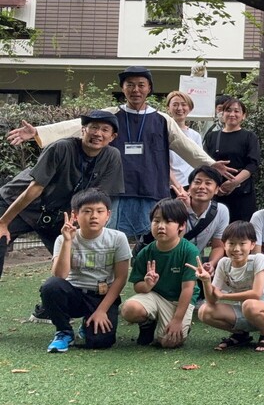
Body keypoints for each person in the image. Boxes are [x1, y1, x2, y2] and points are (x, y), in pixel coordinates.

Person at [6, 66, 226, 240]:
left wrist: (210, 164)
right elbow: (74, 126)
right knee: (108, 239)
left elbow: (187, 147)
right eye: (130, 85)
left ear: (149, 88)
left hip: (151, 189)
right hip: (115, 190)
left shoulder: (162, 120)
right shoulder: (111, 115)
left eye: (141, 85)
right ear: (123, 88)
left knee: (152, 239)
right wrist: (38, 132)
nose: (135, 90)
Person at [0, 110, 123, 276]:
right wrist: (3, 222)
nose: (97, 133)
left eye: (104, 130)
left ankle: (62, 292)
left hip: (59, 215)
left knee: (73, 262)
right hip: (19, 204)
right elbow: (35, 188)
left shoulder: (112, 156)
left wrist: (83, 227)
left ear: (112, 137)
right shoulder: (61, 147)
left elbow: (99, 197)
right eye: (93, 127)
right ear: (83, 130)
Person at [40, 189, 130, 352]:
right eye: (87, 211)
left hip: (101, 296)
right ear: (75, 215)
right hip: (73, 294)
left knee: (101, 342)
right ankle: (64, 332)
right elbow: (60, 275)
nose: (94, 216)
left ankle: (87, 325)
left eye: (99, 211)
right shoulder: (62, 239)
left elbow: (121, 278)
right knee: (51, 286)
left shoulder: (118, 238)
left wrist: (102, 310)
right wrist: (68, 241)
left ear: (108, 215)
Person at [193, 221, 264, 353]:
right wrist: (206, 281)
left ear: (252, 244)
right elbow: (211, 300)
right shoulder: (224, 263)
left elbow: (256, 294)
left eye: (242, 244)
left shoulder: (258, 259)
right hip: (245, 310)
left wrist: (224, 296)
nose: (236, 249)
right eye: (231, 243)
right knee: (204, 311)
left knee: (249, 305)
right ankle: (241, 334)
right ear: (224, 245)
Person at [121, 198, 200, 349]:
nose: (161, 226)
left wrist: (177, 320)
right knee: (129, 309)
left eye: (168, 221)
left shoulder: (189, 251)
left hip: (179, 300)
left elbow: (188, 289)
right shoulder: (145, 252)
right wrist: (147, 285)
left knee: (169, 342)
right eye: (156, 221)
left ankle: (181, 324)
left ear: (181, 226)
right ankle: (147, 324)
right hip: (155, 296)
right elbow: (137, 287)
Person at [203, 97, 259, 223]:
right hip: (217, 191)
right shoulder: (212, 136)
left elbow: (253, 163)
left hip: (242, 192)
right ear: (222, 114)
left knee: (241, 229)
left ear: (243, 116)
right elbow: (205, 162)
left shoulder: (249, 137)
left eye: (237, 111)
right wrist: (217, 186)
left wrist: (234, 182)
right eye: (228, 110)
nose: (232, 114)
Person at [165, 91, 203, 197]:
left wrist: (193, 186)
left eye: (183, 104)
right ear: (168, 108)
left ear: (190, 108)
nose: (179, 108)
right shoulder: (163, 133)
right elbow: (163, 163)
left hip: (190, 187)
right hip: (168, 187)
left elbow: (198, 163)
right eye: (175, 105)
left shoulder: (195, 135)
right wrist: (178, 187)